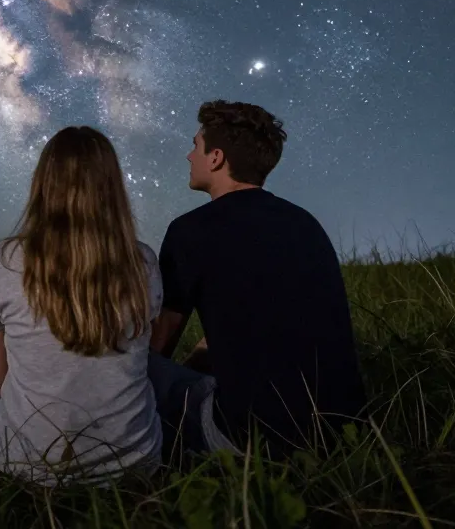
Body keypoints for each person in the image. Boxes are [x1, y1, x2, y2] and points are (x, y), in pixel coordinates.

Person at [0, 126, 164, 486]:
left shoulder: (6, 260)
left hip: (27, 464)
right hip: (135, 465)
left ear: (42, 185)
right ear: (112, 187)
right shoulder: (143, 262)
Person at [149, 100, 366, 461]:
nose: (189, 156)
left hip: (250, 441)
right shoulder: (306, 224)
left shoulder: (190, 230)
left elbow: (161, 342)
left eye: (195, 146)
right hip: (344, 434)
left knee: (131, 365)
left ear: (216, 158)